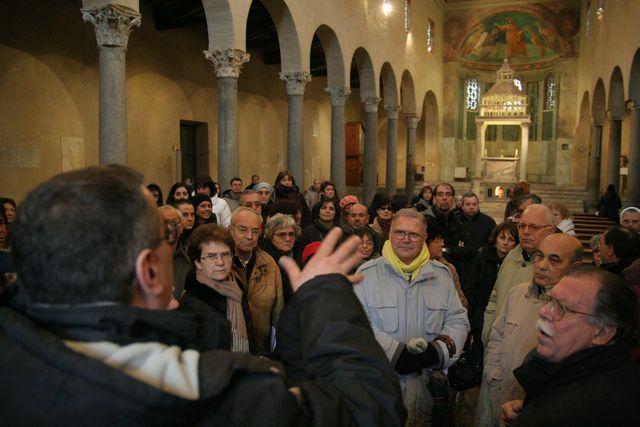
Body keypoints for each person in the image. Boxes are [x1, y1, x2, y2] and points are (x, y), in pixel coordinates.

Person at [0, 165, 405, 425]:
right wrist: (325, 296)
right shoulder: (201, 398)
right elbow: (369, 408)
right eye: (164, 236)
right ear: (150, 270)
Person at [354, 208, 470, 426]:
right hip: (382, 390)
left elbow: (458, 320)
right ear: (389, 234)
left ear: (424, 238)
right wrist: (396, 354)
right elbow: (357, 325)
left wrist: (438, 350)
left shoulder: (441, 276)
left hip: (427, 390)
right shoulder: (366, 274)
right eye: (399, 232)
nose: (405, 239)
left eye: (413, 235)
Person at [501, 267, 640, 426]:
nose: (544, 311)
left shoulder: (564, 414)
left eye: (563, 308)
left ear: (602, 333)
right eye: (550, 300)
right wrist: (531, 408)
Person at [476, 234, 583, 426]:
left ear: (574, 268)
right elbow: (497, 337)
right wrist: (493, 373)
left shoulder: (578, 309)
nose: (541, 265)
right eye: (540, 256)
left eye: (554, 259)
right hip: (498, 392)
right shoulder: (517, 292)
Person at [482, 204, 556, 343]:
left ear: (550, 230)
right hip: (496, 343)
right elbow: (494, 298)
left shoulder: (555, 266)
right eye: (522, 226)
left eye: (533, 227)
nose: (526, 232)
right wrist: (488, 333)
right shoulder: (511, 256)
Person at [181, 224, 250, 353]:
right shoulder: (191, 303)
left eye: (225, 254)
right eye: (211, 256)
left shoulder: (237, 289)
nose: (220, 262)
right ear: (197, 263)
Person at [230, 207, 284, 355]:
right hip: (229, 349)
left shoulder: (269, 263)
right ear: (230, 230)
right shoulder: (221, 263)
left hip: (262, 349)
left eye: (255, 231)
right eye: (243, 230)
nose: (250, 236)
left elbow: (278, 312)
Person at [466, 221, 519, 341]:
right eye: (502, 238)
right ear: (495, 239)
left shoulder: (517, 264)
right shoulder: (483, 256)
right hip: (479, 313)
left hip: (505, 314)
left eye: (510, 239)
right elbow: (472, 285)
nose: (505, 243)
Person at [448, 192, 497, 291]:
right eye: (468, 204)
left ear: (478, 205)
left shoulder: (488, 222)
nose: (471, 207)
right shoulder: (453, 221)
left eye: (474, 204)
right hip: (459, 268)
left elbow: (492, 244)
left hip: (481, 268)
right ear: (462, 206)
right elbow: (450, 245)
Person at [426, 217, 468, 309]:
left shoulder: (448, 269)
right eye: (437, 240)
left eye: (442, 240)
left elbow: (461, 303)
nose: (442, 244)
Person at [262, 213, 301, 302]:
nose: (287, 239)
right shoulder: (265, 258)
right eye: (282, 234)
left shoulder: (300, 253)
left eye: (291, 234)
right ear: (270, 235)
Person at [159, 205, 191, 299]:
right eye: (163, 223)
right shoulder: (144, 260)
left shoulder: (191, 259)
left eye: (173, 222)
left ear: (181, 227)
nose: (168, 227)